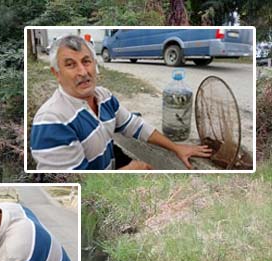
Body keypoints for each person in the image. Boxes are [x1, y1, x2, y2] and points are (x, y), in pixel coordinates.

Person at [30, 34, 212, 170]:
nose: (83, 72)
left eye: (86, 61)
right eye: (70, 64)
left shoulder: (104, 97)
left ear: (96, 64)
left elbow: (135, 125)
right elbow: (73, 184)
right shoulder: (52, 120)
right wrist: (129, 170)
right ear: (56, 73)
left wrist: (176, 147)